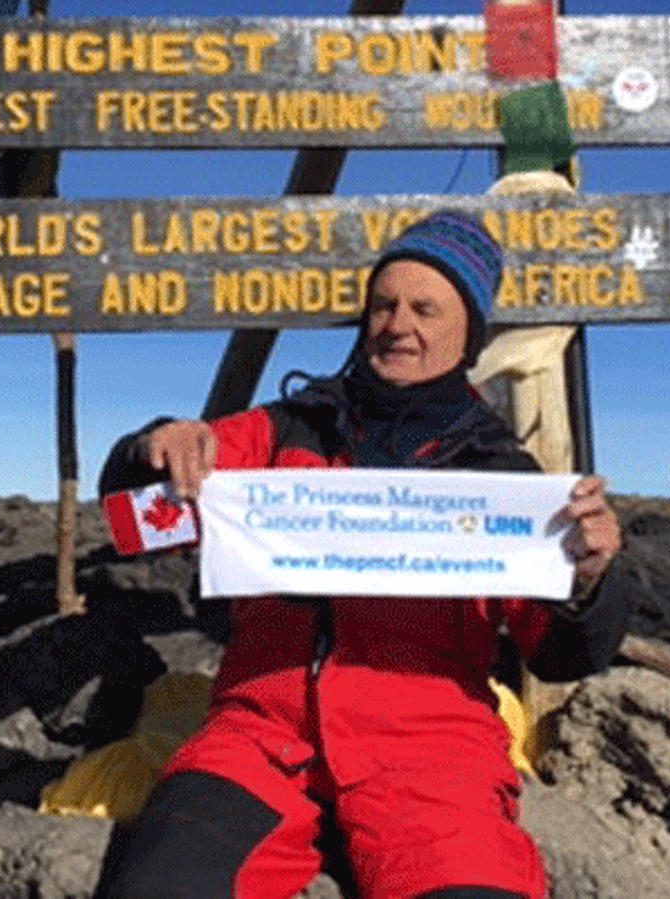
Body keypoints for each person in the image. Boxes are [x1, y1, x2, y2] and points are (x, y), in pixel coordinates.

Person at [93, 210, 630, 899]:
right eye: (384, 304)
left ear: (467, 331)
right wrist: (154, 443)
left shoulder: (508, 481)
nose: (398, 323)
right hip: (259, 733)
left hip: (433, 753)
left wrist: (589, 579)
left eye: (425, 308)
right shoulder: (285, 428)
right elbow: (134, 516)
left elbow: (560, 654)